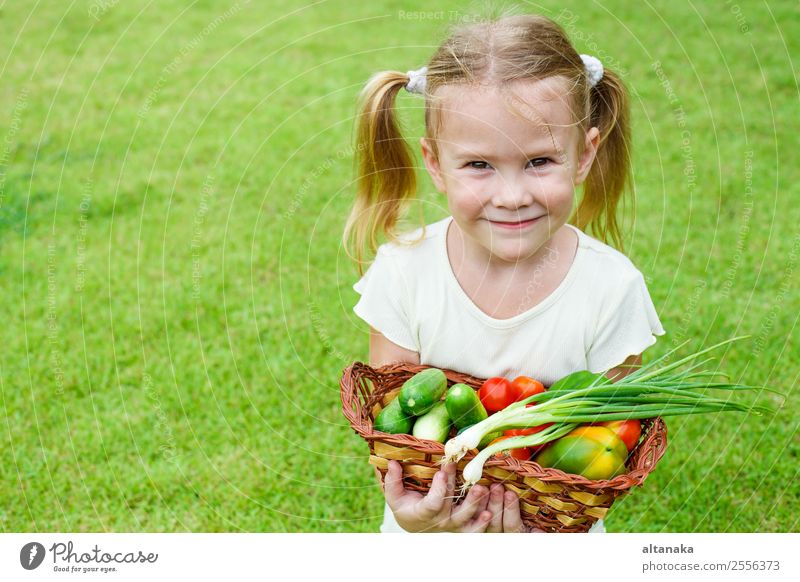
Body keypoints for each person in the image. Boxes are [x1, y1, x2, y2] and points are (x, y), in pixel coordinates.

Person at [343, 13, 665, 533]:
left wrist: (545, 534)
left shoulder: (611, 288)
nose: (512, 197)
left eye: (539, 161)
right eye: (478, 165)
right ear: (435, 164)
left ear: (585, 155)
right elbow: (394, 431)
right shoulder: (404, 273)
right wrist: (415, 517)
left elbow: (613, 439)